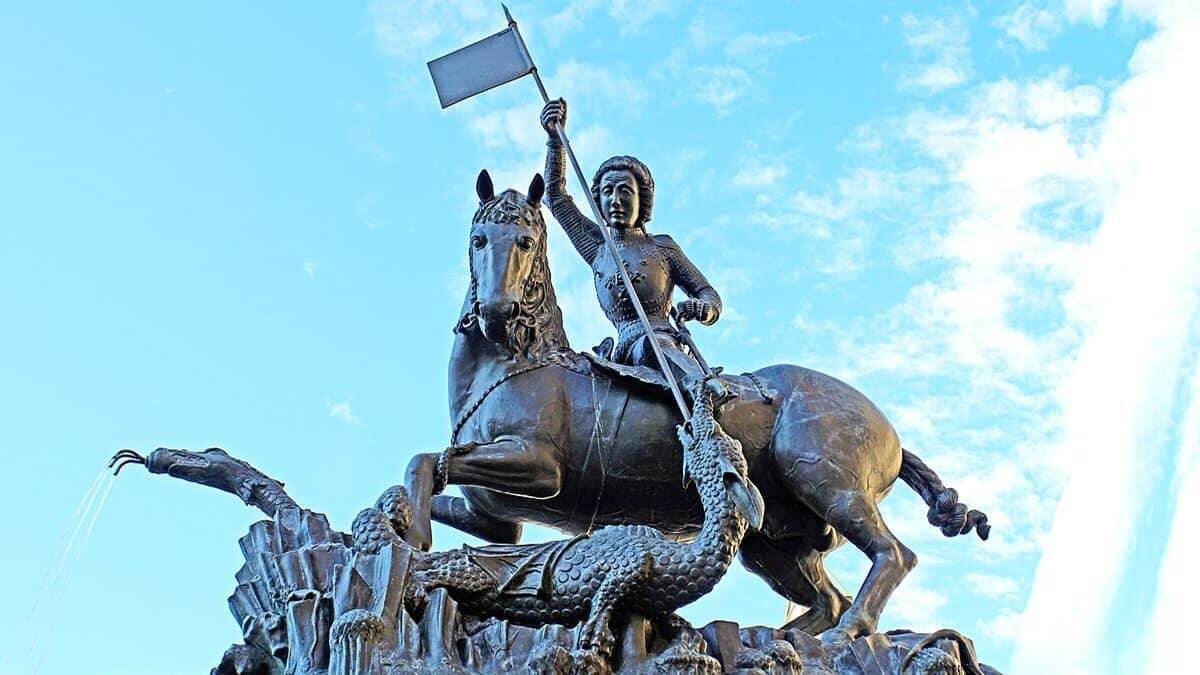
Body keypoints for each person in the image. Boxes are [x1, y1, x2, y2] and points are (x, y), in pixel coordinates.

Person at [540, 99, 723, 398]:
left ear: (642, 200)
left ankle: (703, 393)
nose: (615, 200)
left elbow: (708, 293)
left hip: (659, 341)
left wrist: (704, 309)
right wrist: (554, 142)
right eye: (607, 191)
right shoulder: (598, 248)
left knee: (651, 345)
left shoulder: (662, 248)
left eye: (625, 191)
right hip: (619, 352)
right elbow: (556, 197)